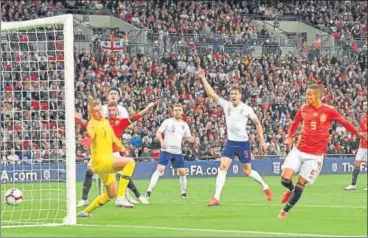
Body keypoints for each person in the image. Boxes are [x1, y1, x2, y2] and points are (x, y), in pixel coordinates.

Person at [278, 85, 366, 219]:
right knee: (285, 178)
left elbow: (344, 122)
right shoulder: (303, 108)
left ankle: (284, 211)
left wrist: (357, 133)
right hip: (299, 150)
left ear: (317, 96)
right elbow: (295, 123)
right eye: (306, 94)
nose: (307, 97)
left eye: (310, 95)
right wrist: (289, 136)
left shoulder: (329, 110)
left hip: (315, 156)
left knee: (300, 184)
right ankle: (290, 190)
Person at [197, 70, 272, 206]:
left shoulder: (246, 109)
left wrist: (261, 141)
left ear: (240, 96)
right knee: (223, 167)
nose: (232, 96)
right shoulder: (227, 106)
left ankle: (264, 186)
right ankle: (216, 197)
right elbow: (211, 94)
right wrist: (203, 78)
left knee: (247, 171)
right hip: (230, 143)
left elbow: (257, 123)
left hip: (243, 143)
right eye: (231, 94)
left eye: (235, 94)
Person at [76, 100, 159, 207]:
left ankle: (138, 195)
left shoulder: (121, 121)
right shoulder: (102, 120)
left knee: (124, 176)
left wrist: (147, 108)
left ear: (116, 110)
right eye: (109, 110)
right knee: (89, 172)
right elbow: (89, 125)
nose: (111, 112)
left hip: (114, 154)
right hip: (100, 154)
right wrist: (81, 120)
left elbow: (136, 117)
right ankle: (84, 199)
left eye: (113, 110)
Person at [77, 98, 136, 217]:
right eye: (96, 111)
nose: (99, 113)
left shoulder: (104, 121)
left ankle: (85, 212)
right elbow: (89, 137)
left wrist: (122, 149)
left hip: (106, 161)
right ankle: (121, 197)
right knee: (130, 162)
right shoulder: (92, 125)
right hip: (101, 160)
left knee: (110, 194)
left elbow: (113, 138)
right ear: (91, 113)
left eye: (100, 110)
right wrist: (85, 142)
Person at [145, 103, 196, 199]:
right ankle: (149, 191)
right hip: (166, 151)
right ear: (173, 112)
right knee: (160, 169)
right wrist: (162, 141)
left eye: (179, 110)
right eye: (175, 110)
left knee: (182, 172)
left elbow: (187, 137)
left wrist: (192, 139)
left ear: (182, 112)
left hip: (177, 152)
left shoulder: (184, 125)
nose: (177, 111)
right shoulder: (167, 122)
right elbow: (158, 132)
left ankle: (183, 192)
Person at [345, 100, 368, 191]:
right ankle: (353, 184)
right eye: (364, 105)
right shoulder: (362, 118)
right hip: (362, 144)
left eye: (367, 105)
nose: (365, 106)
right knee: (357, 163)